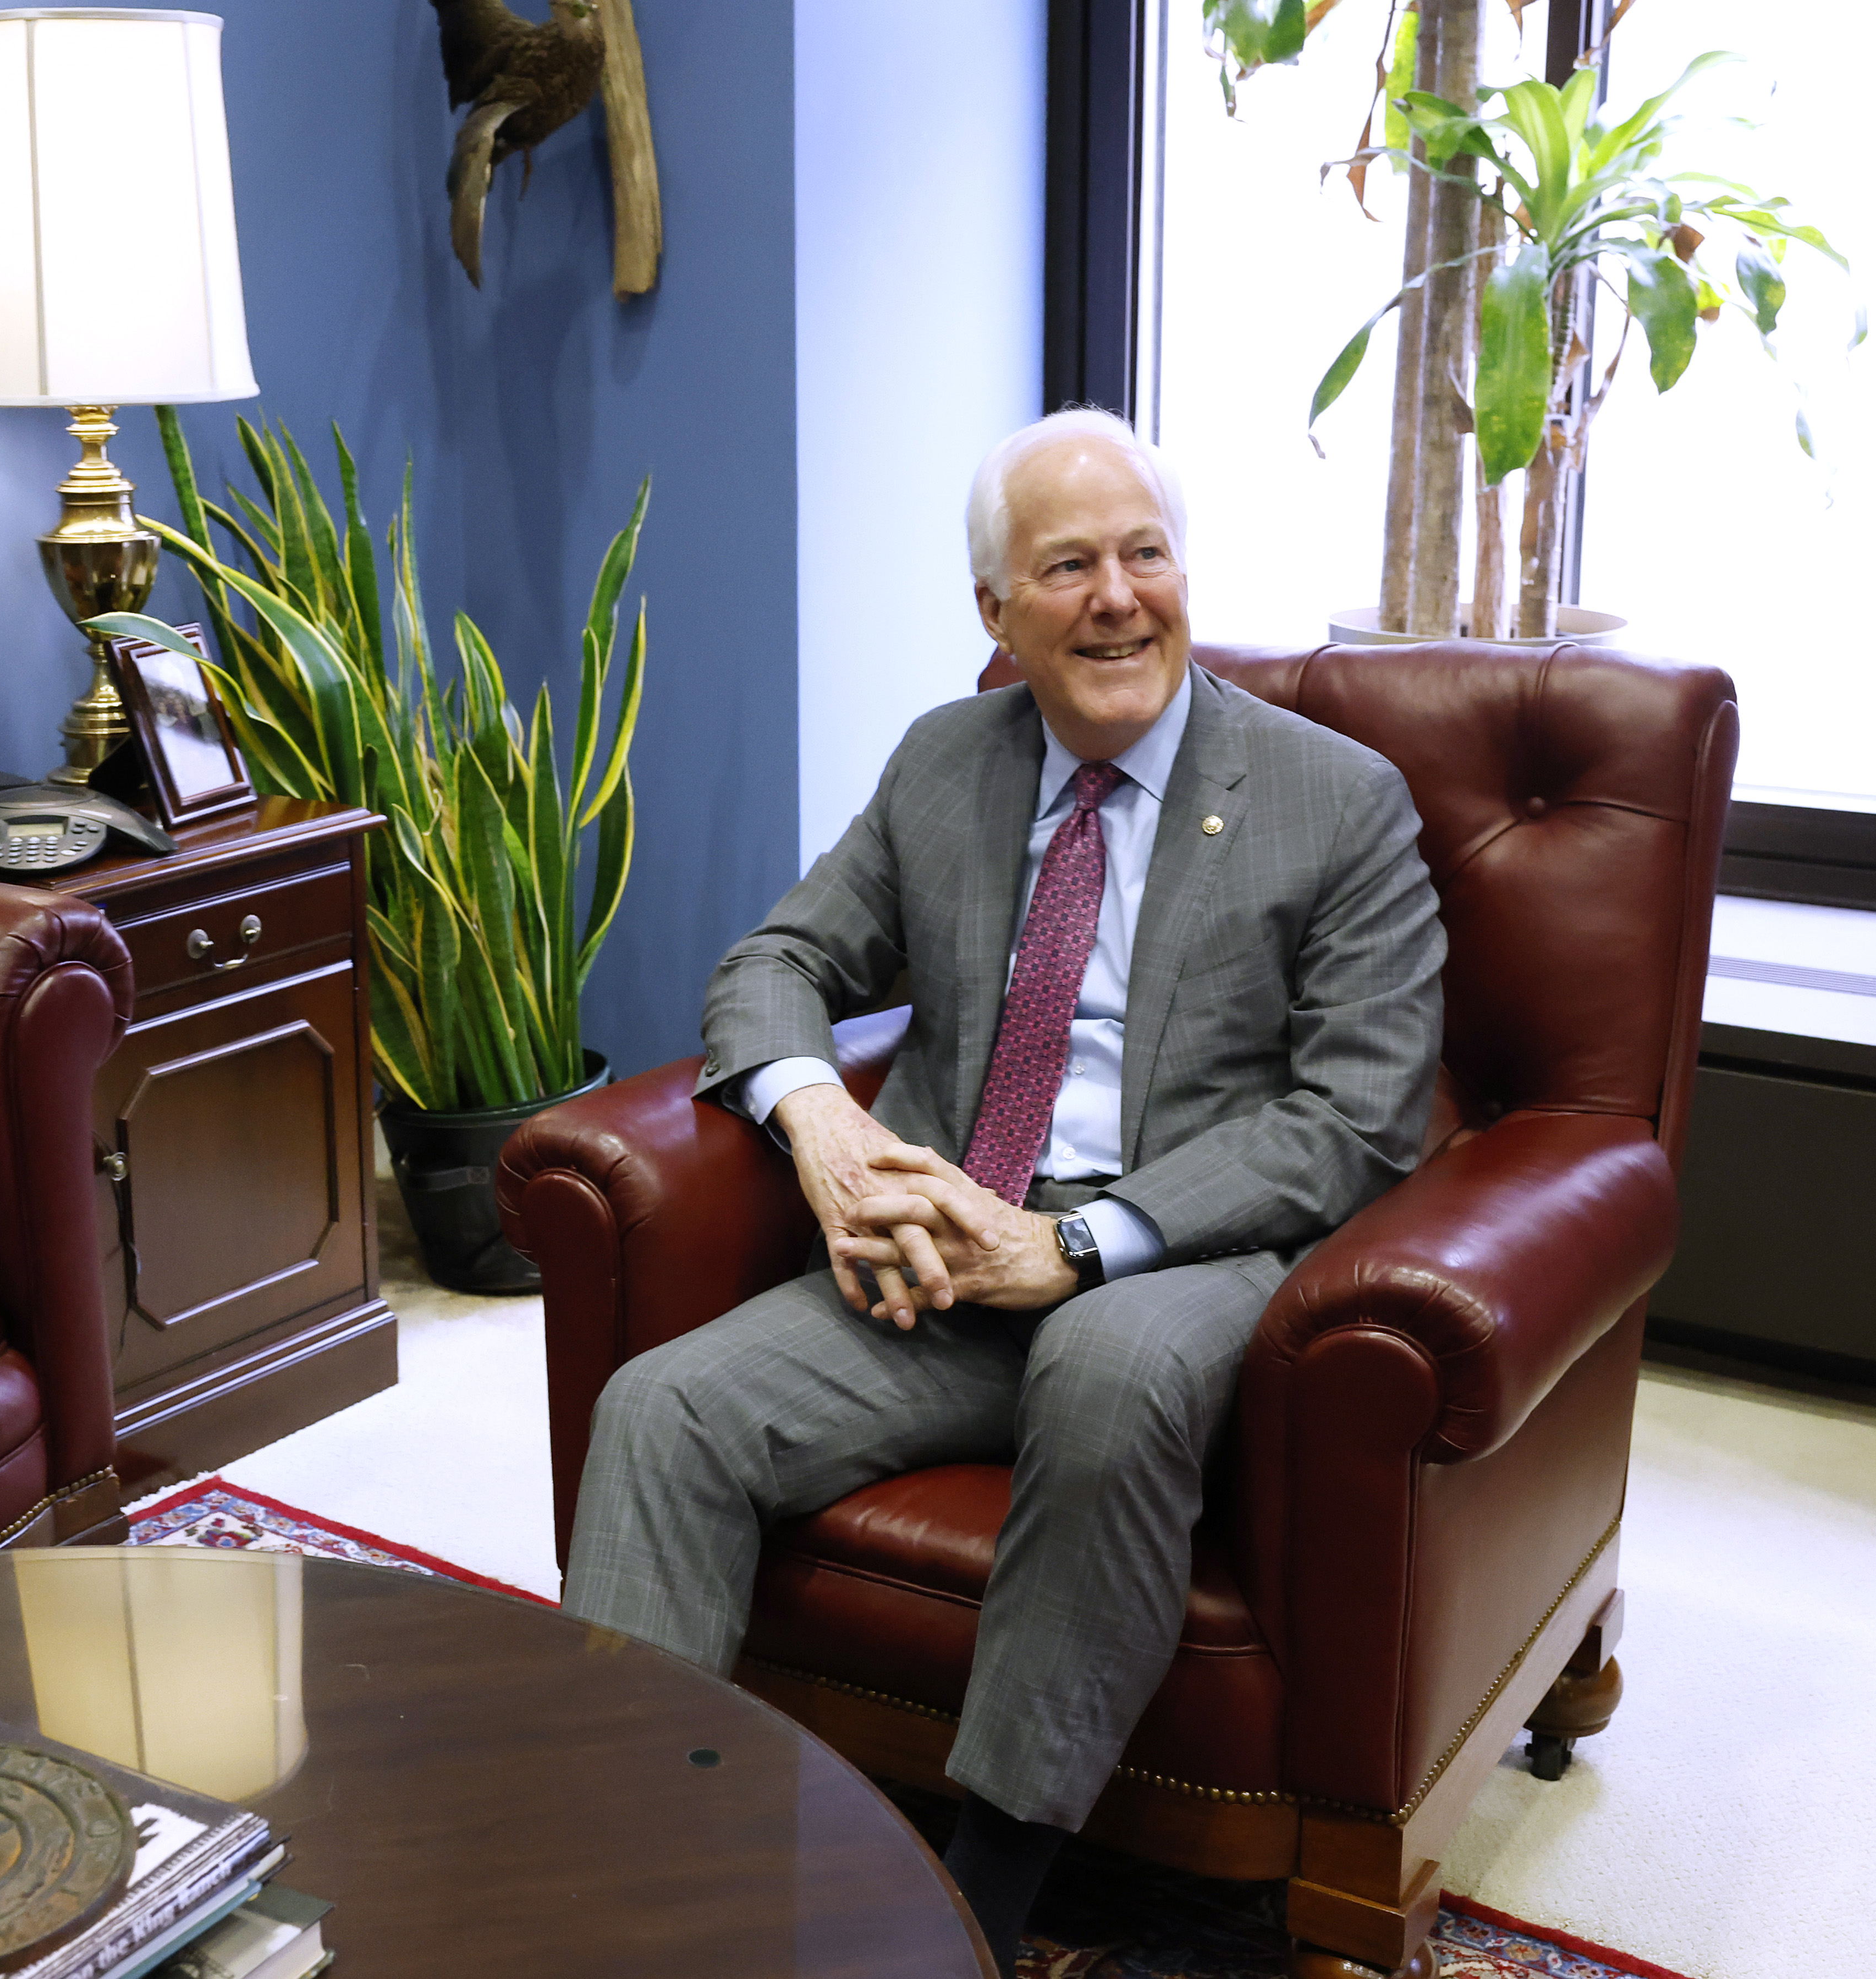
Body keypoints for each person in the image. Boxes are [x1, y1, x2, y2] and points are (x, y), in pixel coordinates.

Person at [558, 410, 1444, 1970]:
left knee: (1101, 1368)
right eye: (1065, 566)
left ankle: (979, 1891)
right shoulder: (940, 761)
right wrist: (823, 1127)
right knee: (663, 1406)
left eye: (1143, 554)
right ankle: (639, 1875)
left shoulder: (1334, 797)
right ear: (993, 613)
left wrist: (1077, 1242)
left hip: (1187, 1244)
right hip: (945, 1239)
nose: (1116, 596)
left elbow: (1357, 1113)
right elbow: (777, 960)